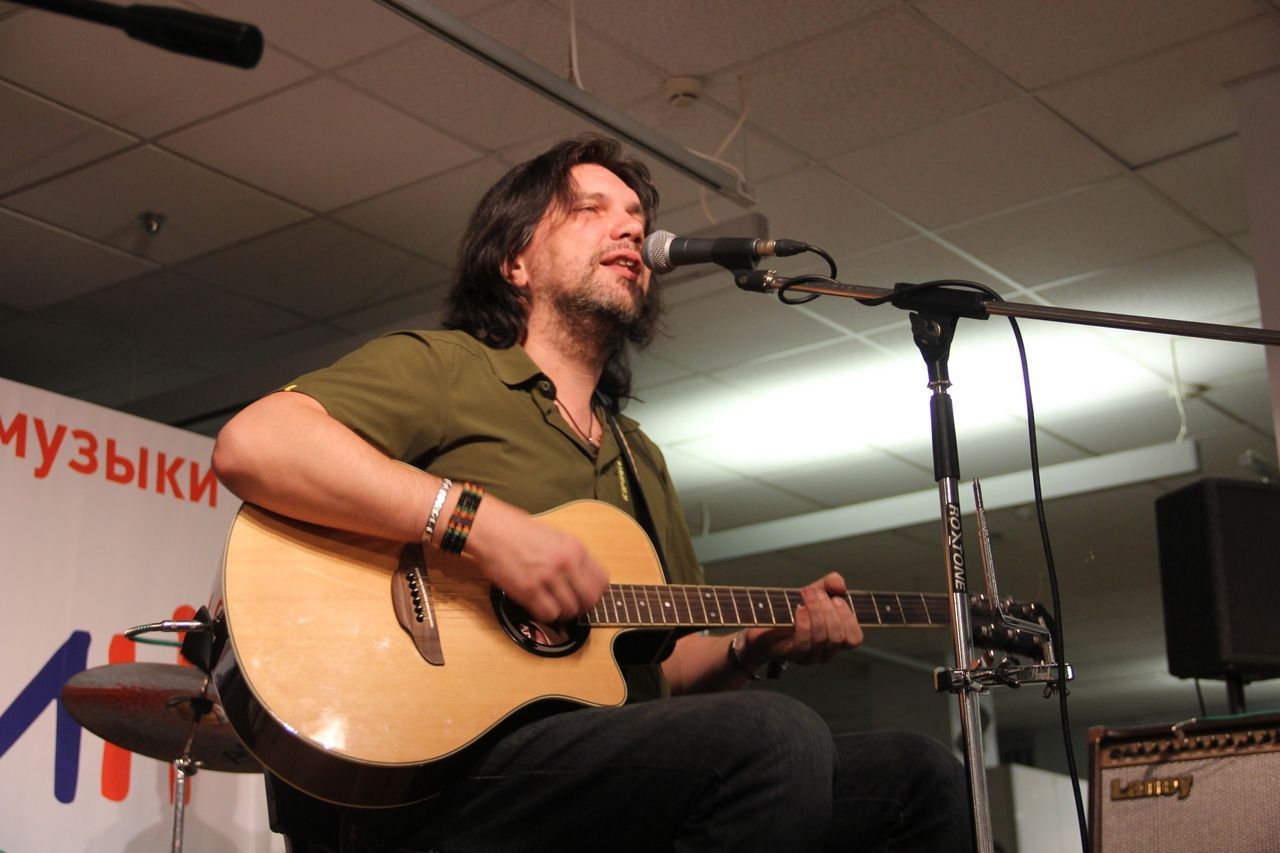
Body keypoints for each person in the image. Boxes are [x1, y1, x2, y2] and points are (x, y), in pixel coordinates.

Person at [212, 134, 972, 852]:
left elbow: (659, 664)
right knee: (777, 734)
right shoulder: (450, 369)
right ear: (515, 261)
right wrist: (480, 526)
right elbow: (256, 443)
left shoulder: (639, 457)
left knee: (920, 774)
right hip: (437, 770)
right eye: (590, 209)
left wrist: (752, 646)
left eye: (637, 217)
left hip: (591, 766)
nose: (631, 230)